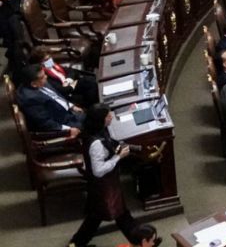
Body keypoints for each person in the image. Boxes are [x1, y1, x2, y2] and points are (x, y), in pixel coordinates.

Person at [68, 104, 139, 247]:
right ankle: (141, 241)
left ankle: (76, 243)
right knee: (116, 214)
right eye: (108, 115)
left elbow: (110, 144)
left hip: (105, 185)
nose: (111, 116)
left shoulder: (98, 131)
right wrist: (118, 157)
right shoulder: (96, 144)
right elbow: (98, 170)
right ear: (100, 119)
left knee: (102, 216)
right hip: (104, 187)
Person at [16, 63, 83, 135]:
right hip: (63, 123)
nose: (46, 77)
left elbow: (57, 96)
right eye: (42, 77)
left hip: (67, 113)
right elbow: (45, 123)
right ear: (33, 84)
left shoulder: (39, 82)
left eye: (44, 74)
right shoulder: (30, 99)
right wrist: (68, 130)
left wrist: (71, 106)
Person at [31, 44, 99, 107]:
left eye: (50, 57)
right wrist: (73, 83)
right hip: (69, 94)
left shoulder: (52, 64)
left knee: (91, 79)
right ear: (39, 63)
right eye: (46, 59)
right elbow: (63, 90)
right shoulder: (44, 75)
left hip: (71, 83)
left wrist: (68, 80)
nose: (50, 60)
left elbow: (70, 71)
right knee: (90, 84)